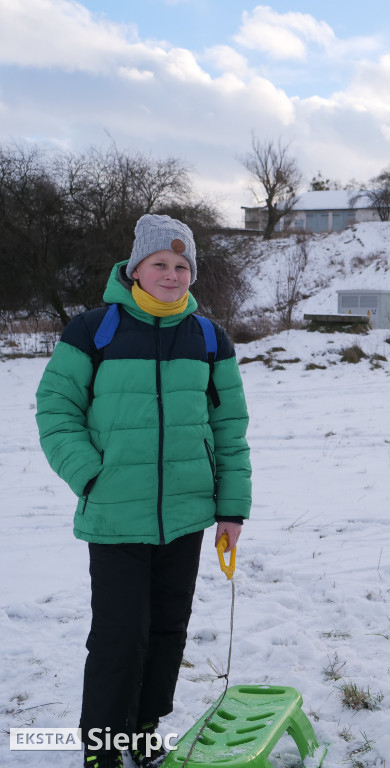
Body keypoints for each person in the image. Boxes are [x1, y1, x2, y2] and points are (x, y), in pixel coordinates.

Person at [36, 214, 252, 768]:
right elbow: (56, 411)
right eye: (161, 263)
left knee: (167, 630)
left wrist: (231, 509)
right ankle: (103, 746)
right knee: (119, 634)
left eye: (182, 265)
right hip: (115, 515)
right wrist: (91, 476)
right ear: (135, 268)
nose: (172, 274)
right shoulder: (94, 331)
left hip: (186, 514)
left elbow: (229, 430)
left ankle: (145, 729)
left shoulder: (209, 338)